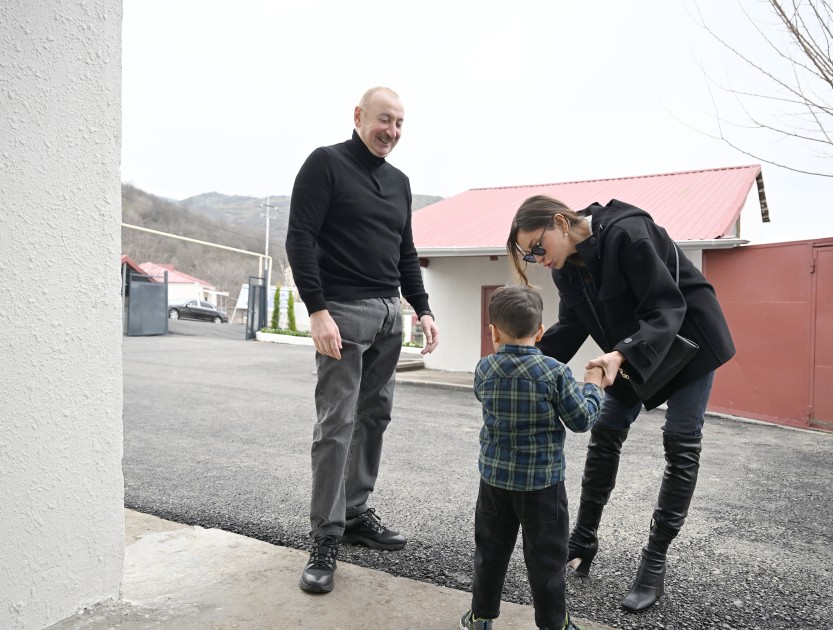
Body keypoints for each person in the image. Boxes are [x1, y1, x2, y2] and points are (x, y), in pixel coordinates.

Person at [506, 195, 735, 613]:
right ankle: (584, 537)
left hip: (690, 341)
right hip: (632, 351)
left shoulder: (628, 233)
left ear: (560, 223)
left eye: (538, 247)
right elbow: (572, 326)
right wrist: (521, 363)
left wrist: (620, 354)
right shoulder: (567, 270)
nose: (538, 259)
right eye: (528, 255)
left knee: (681, 441)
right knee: (606, 431)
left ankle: (654, 560)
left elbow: (667, 307)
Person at [285, 86, 440, 594]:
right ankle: (324, 538)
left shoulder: (399, 182)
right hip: (342, 312)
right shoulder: (325, 164)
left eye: (399, 124)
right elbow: (300, 237)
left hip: (388, 314)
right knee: (337, 424)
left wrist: (422, 307)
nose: (391, 132)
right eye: (383, 120)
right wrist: (317, 311)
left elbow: (406, 250)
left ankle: (354, 514)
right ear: (358, 116)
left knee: (375, 417)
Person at [460, 285, 603, 630]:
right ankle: (555, 624)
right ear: (540, 331)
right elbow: (581, 420)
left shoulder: (484, 369)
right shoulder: (554, 372)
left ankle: (480, 618)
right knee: (547, 560)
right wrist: (594, 386)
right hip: (543, 488)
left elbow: (486, 398)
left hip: (494, 484)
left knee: (490, 554)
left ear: (492, 331)